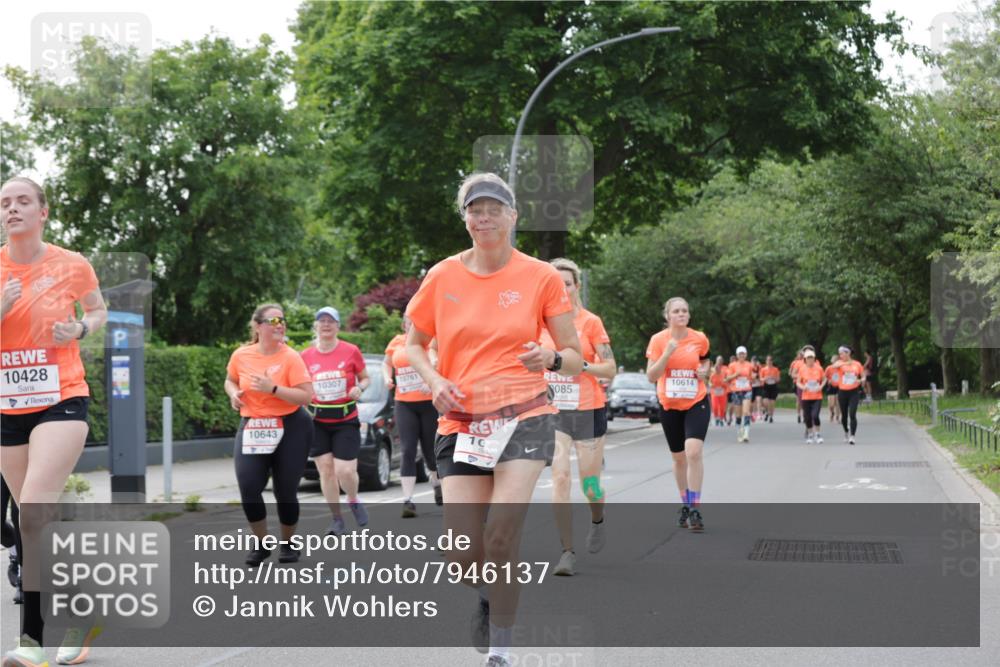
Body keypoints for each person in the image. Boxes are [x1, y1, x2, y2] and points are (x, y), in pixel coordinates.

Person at [404, 173, 582, 667]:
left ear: (512, 216)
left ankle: (499, 653)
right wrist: (434, 381)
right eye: (474, 210)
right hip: (461, 421)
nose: (483, 218)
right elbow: (414, 344)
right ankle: (487, 593)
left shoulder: (541, 277)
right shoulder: (441, 276)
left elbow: (574, 355)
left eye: (493, 209)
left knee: (501, 537)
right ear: (465, 218)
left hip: (525, 415)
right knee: (462, 554)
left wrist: (547, 357)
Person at [1, 176, 108, 666]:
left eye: (23, 200)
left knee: (32, 512)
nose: (12, 208)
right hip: (6, 405)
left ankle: (32, 642)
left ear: (43, 212)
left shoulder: (71, 264)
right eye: (5, 202)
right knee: (35, 525)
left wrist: (81, 327)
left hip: (61, 398)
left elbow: (98, 309)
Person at [541, 258, 616, 577]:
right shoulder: (538, 323)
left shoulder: (590, 322)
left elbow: (610, 368)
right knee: (559, 478)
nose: (562, 288)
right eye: (555, 283)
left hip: (588, 409)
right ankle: (566, 551)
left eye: (567, 283)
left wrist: (579, 366)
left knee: (590, 485)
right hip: (554, 413)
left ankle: (597, 519)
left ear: (576, 287)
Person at [225, 304, 314, 566]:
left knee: (285, 491)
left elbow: (306, 396)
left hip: (291, 426)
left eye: (282, 320)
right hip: (253, 426)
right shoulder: (242, 355)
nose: (280, 324)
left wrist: (273, 388)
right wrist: (233, 394)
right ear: (257, 326)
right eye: (273, 320)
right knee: (249, 487)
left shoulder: (291, 357)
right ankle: (262, 543)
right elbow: (230, 380)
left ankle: (287, 544)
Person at [301, 307, 371, 535]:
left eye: (331, 321)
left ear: (338, 326)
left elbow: (365, 378)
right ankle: (337, 519)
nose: (326, 325)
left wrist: (358, 388)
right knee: (326, 471)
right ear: (316, 326)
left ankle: (352, 499)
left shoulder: (350, 351)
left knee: (345, 471)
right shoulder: (305, 356)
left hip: (345, 419)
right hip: (318, 420)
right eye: (322, 321)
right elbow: (300, 385)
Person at [646, 297, 712, 532]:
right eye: (676, 311)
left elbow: (706, 363)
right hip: (669, 405)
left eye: (685, 310)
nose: (682, 314)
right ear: (668, 316)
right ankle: (684, 503)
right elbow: (651, 376)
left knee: (693, 451)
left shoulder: (699, 338)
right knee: (679, 458)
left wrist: (704, 373)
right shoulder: (658, 340)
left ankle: (695, 507)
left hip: (696, 401)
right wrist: (667, 353)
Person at [383, 315, 442, 515]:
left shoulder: (428, 342)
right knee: (408, 450)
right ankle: (408, 500)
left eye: (415, 322)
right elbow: (387, 363)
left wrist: (430, 381)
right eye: (409, 323)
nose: (411, 326)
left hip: (427, 404)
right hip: (404, 403)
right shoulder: (397, 342)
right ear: (404, 325)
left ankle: (436, 484)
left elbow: (438, 362)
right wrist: (386, 378)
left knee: (430, 451)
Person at [833, 346, 866, 445]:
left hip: (854, 392)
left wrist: (860, 380)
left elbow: (864, 376)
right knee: (844, 416)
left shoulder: (857, 364)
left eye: (842, 353)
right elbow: (834, 366)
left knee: (852, 414)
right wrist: (846, 363)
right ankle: (846, 432)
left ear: (848, 353)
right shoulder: (839, 363)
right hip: (842, 392)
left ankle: (852, 436)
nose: (840, 355)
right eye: (840, 354)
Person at [795, 349, 826, 444]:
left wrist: (821, 386)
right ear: (805, 359)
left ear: (814, 358)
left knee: (815, 416)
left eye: (811, 358)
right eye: (808, 358)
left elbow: (824, 379)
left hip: (817, 396)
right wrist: (803, 387)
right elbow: (798, 382)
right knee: (807, 417)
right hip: (806, 396)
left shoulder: (819, 368)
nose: (810, 360)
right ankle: (810, 434)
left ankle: (818, 434)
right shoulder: (802, 369)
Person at [725, 346, 754, 442]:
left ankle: (746, 433)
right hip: (736, 391)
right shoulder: (732, 365)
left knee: (746, 411)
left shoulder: (749, 365)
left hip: (747, 390)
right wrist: (735, 375)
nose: (742, 355)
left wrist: (752, 377)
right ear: (737, 355)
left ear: (746, 354)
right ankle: (739, 433)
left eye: (743, 353)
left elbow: (752, 378)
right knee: (738, 415)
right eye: (740, 353)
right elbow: (728, 378)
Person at [759, 356, 780, 423]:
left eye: (770, 360)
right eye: (768, 360)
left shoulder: (776, 369)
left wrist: (774, 378)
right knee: (766, 402)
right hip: (766, 386)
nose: (769, 361)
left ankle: (771, 417)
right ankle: (767, 411)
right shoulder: (763, 369)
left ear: (772, 361)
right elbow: (760, 379)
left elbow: (778, 379)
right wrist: (765, 378)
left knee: (772, 403)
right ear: (766, 361)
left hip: (773, 386)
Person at [709, 356, 729, 427]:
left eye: (718, 368)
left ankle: (721, 418)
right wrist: (711, 385)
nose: (717, 369)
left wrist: (724, 384)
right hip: (714, 392)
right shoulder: (712, 375)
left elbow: (726, 382)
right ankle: (716, 418)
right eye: (716, 368)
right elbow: (709, 382)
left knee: (722, 406)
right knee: (715, 406)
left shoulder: (723, 373)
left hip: (722, 392)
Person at [789, 350, 805, 423]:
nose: (801, 356)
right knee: (799, 400)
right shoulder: (795, 363)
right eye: (800, 354)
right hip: (797, 383)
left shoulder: (808, 362)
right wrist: (799, 376)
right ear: (797, 355)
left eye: (802, 354)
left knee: (805, 400)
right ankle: (798, 414)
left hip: (806, 384)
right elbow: (790, 373)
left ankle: (805, 414)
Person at [825, 353, 841, 424]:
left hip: (839, 386)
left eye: (837, 360)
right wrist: (828, 380)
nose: (835, 362)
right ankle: (832, 413)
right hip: (831, 387)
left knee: (838, 403)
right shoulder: (829, 368)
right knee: (831, 404)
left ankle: (837, 417)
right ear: (832, 361)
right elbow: (824, 377)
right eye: (834, 360)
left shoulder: (841, 368)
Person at [750, 355, 764, 422]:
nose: (754, 362)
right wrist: (753, 377)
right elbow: (749, 376)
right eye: (753, 361)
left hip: (758, 385)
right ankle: (753, 413)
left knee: (758, 399)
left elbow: (761, 375)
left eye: (755, 361)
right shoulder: (749, 367)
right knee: (752, 402)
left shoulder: (759, 367)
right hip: (751, 386)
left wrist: (757, 376)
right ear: (751, 361)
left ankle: (759, 413)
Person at [726, 354, 738, 426]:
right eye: (732, 360)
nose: (733, 362)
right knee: (731, 405)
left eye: (734, 360)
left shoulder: (738, 369)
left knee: (737, 404)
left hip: (737, 389)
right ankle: (730, 417)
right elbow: (725, 379)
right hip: (730, 390)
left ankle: (737, 418)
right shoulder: (727, 369)